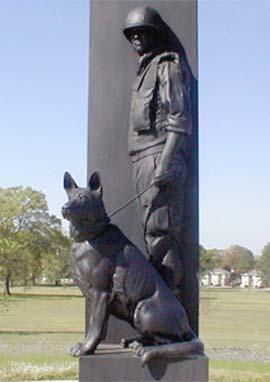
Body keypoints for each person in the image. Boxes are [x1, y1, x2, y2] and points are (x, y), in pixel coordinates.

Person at [123, 6, 192, 293]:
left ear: (155, 34)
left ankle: (170, 313)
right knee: (151, 234)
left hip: (158, 156)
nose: (138, 37)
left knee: (161, 234)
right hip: (143, 157)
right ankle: (159, 309)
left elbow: (179, 119)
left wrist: (164, 163)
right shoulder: (145, 70)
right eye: (133, 33)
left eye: (144, 32)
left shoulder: (167, 66)